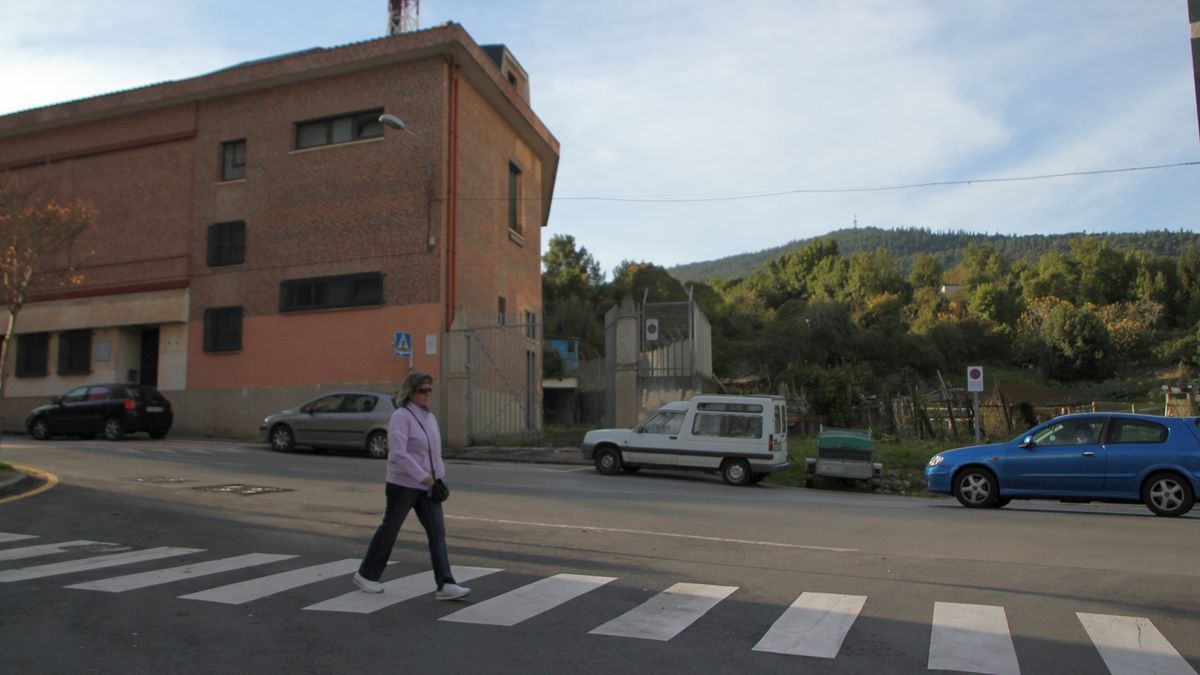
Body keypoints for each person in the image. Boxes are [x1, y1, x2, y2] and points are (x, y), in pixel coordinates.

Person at [353, 371, 470, 600]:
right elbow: (398, 452)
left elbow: (433, 452)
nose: (427, 394)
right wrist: (420, 475)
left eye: (429, 390)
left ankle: (445, 584)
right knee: (390, 528)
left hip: (428, 486)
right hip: (403, 484)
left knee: (437, 533)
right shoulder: (401, 416)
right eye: (422, 390)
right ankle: (366, 574)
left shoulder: (430, 418)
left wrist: (439, 478)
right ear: (410, 392)